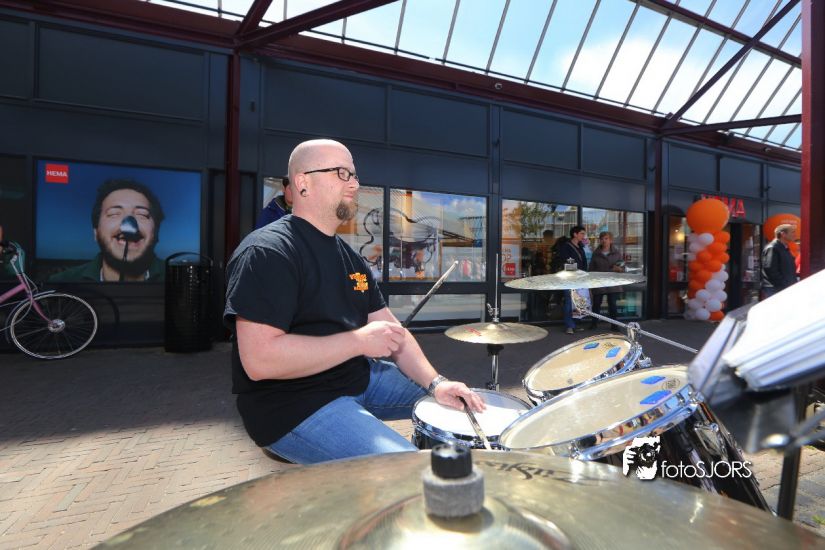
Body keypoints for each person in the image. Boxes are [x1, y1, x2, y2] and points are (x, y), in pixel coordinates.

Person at [224, 138, 484, 465]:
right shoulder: (268, 252)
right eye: (341, 173)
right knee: (406, 467)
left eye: (354, 175)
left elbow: (393, 332)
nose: (355, 184)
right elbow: (260, 360)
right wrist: (358, 341)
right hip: (294, 405)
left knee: (463, 410)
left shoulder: (349, 257)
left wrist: (437, 383)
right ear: (303, 183)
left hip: (357, 378)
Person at [49, 179, 165, 282]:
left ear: (156, 232)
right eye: (114, 213)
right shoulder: (60, 284)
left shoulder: (176, 278)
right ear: (96, 232)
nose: (128, 220)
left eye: (142, 214)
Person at [588, 231, 623, 330]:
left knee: (612, 305)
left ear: (611, 240)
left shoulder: (617, 253)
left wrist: (619, 269)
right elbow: (591, 270)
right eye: (602, 239)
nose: (604, 241)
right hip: (599, 283)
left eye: (606, 238)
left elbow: (622, 267)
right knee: (596, 304)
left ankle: (614, 325)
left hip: (613, 283)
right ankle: (594, 324)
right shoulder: (596, 253)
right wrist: (591, 283)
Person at [557, 225, 588, 335]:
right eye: (582, 233)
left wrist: (584, 274)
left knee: (578, 302)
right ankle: (569, 326)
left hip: (580, 278)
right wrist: (577, 272)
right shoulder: (566, 247)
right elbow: (565, 263)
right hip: (569, 279)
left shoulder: (580, 247)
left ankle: (575, 324)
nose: (584, 236)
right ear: (575, 234)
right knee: (569, 301)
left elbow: (584, 262)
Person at [761, 223, 797, 299]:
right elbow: (770, 270)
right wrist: (784, 284)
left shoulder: (784, 247)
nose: (795, 235)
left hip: (784, 287)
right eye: (792, 232)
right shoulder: (773, 247)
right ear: (783, 234)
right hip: (775, 289)